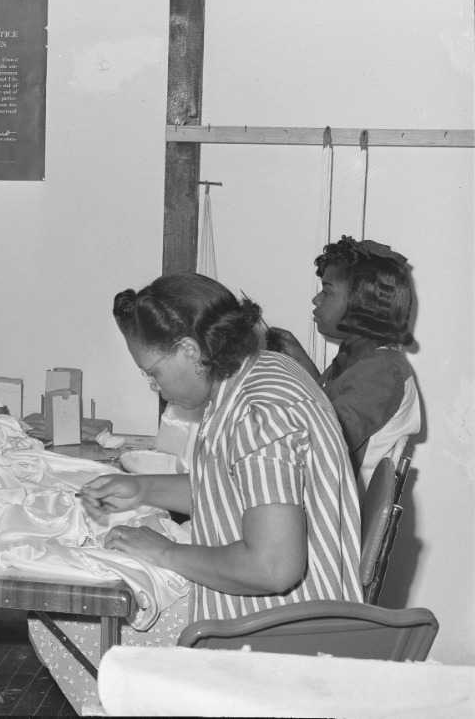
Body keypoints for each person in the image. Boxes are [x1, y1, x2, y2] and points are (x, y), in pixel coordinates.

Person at [28, 273, 363, 714]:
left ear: (189, 350)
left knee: (61, 620)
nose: (156, 387)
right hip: (292, 615)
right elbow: (237, 491)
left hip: (281, 637)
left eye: (155, 374)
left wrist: (165, 552)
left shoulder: (257, 414)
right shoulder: (263, 371)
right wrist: (142, 489)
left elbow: (273, 567)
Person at [265, 236, 419, 486]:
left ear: (363, 301)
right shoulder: (359, 357)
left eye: (326, 291)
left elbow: (325, 439)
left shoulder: (382, 371)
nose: (316, 300)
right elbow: (327, 409)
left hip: (339, 512)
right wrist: (301, 363)